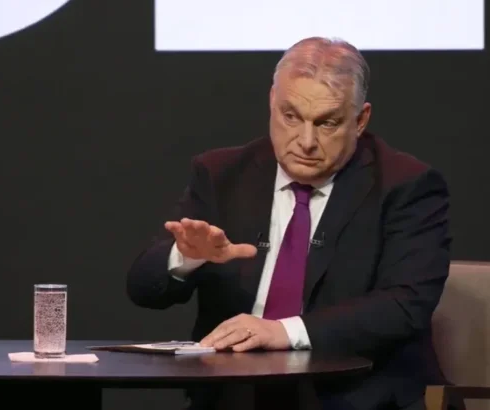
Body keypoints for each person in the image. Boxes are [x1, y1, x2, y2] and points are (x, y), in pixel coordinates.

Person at [127, 37, 452, 410]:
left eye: (327, 123)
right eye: (291, 117)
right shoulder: (222, 175)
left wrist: (283, 331)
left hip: (356, 396)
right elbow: (143, 289)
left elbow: (405, 304)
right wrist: (186, 257)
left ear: (360, 120)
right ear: (272, 102)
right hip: (235, 398)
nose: (306, 141)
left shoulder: (405, 185)